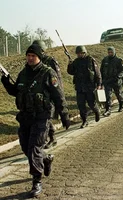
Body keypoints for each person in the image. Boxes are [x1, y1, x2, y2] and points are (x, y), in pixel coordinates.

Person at [1, 44, 70, 197]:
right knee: (26, 148)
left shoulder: (48, 73)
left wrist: (64, 115)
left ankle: (36, 181)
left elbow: (58, 96)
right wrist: (6, 82)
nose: (30, 58)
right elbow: (15, 91)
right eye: (28, 56)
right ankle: (46, 159)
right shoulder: (23, 73)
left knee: (34, 148)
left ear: (39, 57)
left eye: (33, 56)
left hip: (41, 117)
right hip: (25, 117)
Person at [32, 40, 63, 149]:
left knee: (46, 117)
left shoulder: (50, 61)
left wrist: (59, 96)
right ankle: (49, 138)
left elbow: (57, 80)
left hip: (49, 95)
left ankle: (50, 138)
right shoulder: (34, 61)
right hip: (37, 96)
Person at [67, 45, 102, 128]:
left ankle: (96, 111)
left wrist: (99, 84)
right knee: (81, 105)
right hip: (79, 87)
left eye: (81, 53)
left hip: (90, 86)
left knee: (91, 104)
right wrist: (69, 64)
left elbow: (97, 73)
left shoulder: (91, 60)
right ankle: (84, 121)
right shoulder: (76, 61)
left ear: (84, 52)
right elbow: (71, 72)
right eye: (78, 53)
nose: (79, 55)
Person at [101, 46, 123, 116]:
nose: (110, 53)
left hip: (116, 81)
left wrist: (118, 77)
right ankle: (108, 110)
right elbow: (101, 70)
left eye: (111, 52)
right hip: (107, 81)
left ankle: (121, 105)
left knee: (118, 94)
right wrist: (101, 80)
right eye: (109, 52)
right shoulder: (105, 60)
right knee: (107, 95)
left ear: (114, 52)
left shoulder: (119, 60)